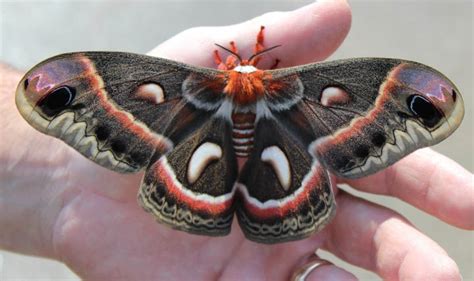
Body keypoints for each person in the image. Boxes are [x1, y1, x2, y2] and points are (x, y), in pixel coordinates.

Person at [0, 1, 472, 280]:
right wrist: (52, 171)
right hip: (277, 153)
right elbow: (70, 88)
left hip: (204, 155)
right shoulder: (284, 84)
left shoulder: (200, 81)